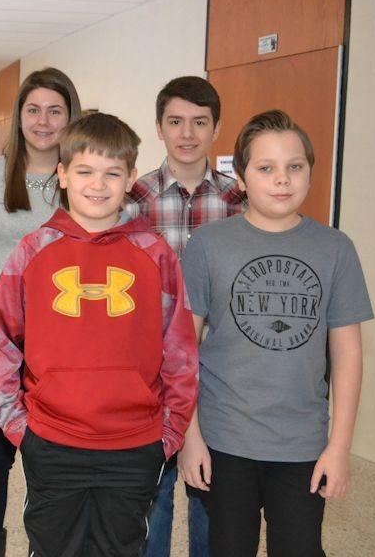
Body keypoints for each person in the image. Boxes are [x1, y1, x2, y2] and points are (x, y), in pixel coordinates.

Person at [0, 112, 199, 556]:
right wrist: (18, 426)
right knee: (52, 546)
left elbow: (179, 349)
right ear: (62, 175)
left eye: (112, 173)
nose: (97, 185)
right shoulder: (34, 250)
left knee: (122, 547)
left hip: (135, 444)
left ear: (130, 179)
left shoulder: (153, 253)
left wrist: (170, 433)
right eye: (84, 171)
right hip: (53, 440)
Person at [180, 110, 373, 557]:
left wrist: (339, 448)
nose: (282, 179)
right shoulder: (208, 245)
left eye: (295, 167)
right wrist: (190, 439)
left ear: (309, 173)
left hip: (302, 443)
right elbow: (183, 350)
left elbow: (348, 356)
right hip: (224, 439)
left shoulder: (336, 249)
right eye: (265, 168)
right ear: (241, 179)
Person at [0, 67, 81, 556]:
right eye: (33, 110)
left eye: (55, 110)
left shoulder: (80, 177)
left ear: (70, 116)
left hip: (61, 343)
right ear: (19, 118)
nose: (43, 121)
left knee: (50, 456)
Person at [126, 76, 245, 557]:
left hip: (220, 369)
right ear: (159, 127)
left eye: (200, 122)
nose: (188, 133)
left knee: (211, 491)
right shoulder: (132, 200)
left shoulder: (241, 201)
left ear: (216, 127)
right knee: (153, 490)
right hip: (150, 366)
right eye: (176, 121)